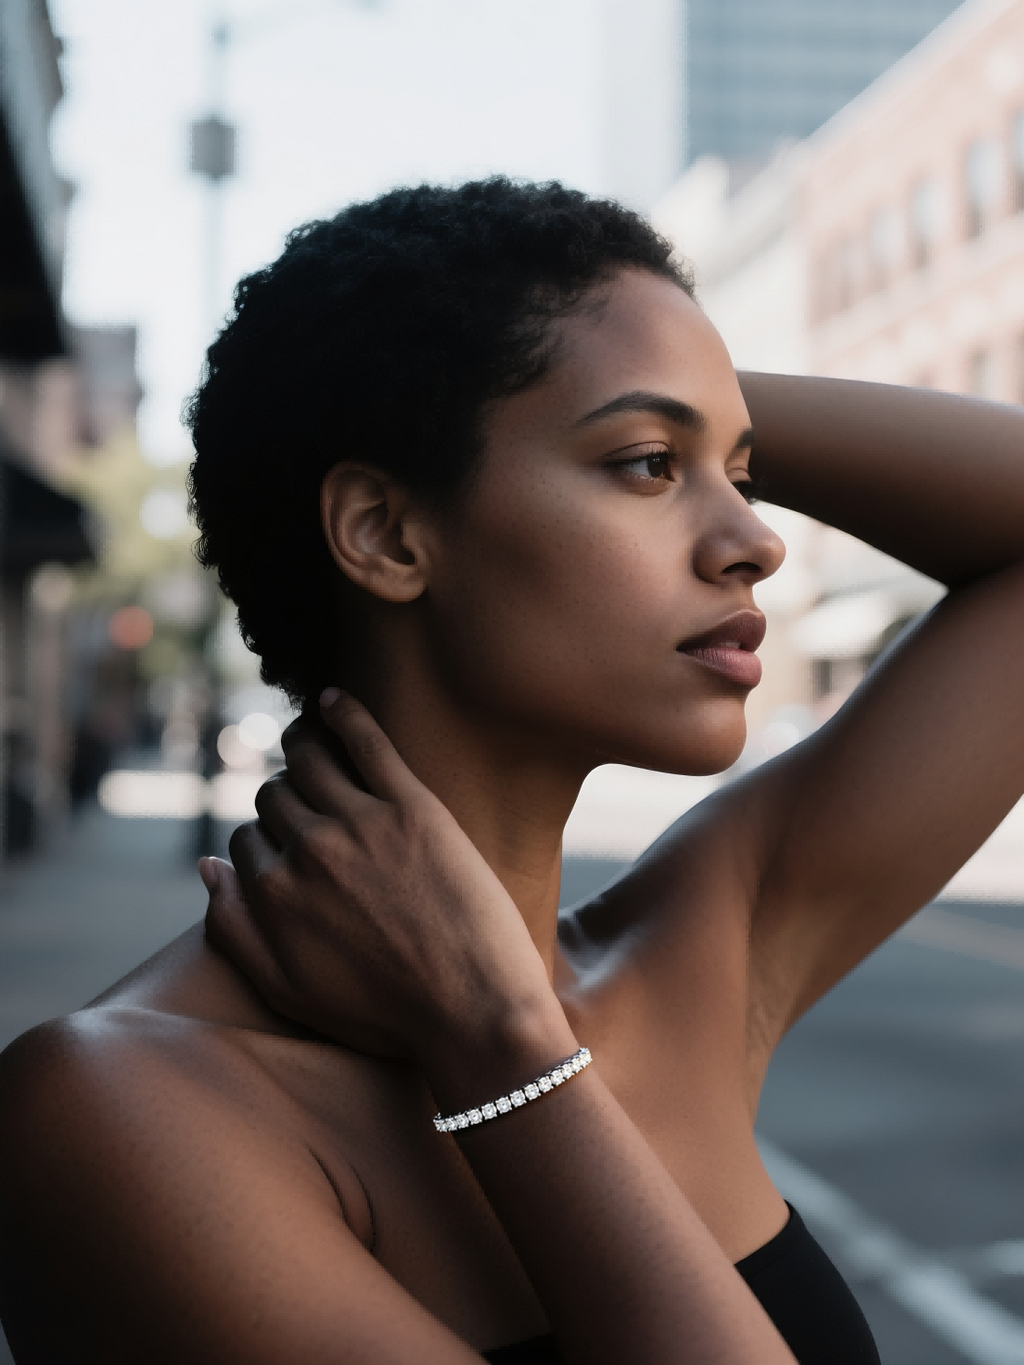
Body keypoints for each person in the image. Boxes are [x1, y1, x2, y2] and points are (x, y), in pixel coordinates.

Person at [1, 178, 1023, 1365]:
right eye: (648, 465)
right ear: (386, 534)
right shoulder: (120, 1113)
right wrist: (506, 1056)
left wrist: (677, 396)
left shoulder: (686, 959)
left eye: (738, 471)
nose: (755, 538)